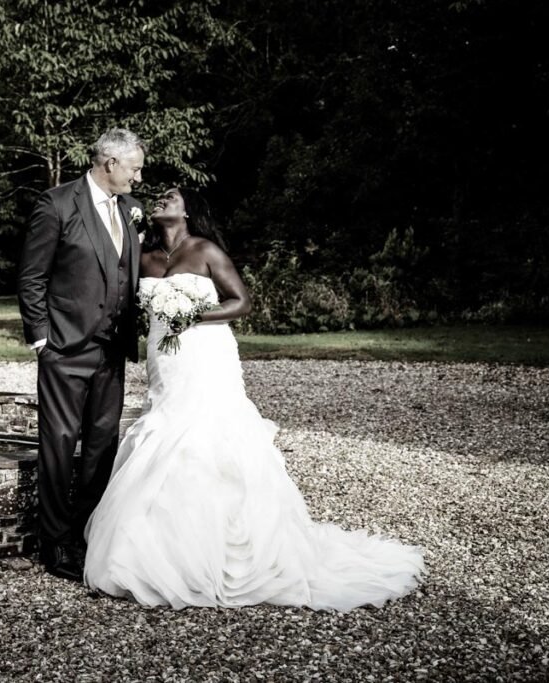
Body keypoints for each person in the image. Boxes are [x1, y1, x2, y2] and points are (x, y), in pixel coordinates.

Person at [83, 187, 425, 610]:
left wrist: (190, 314)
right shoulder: (145, 257)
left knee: (209, 430)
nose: (160, 200)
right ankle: (159, 549)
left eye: (170, 196)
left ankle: (228, 548)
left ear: (188, 209)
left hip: (206, 352)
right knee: (165, 425)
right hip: (164, 358)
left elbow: (241, 302)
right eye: (158, 197)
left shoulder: (205, 249)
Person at [17, 128, 146, 581]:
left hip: (112, 350)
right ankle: (54, 545)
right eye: (134, 167)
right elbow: (32, 277)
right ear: (109, 163)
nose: (139, 175)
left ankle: (89, 532)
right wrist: (40, 338)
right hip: (65, 348)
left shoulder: (132, 211)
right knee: (58, 443)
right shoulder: (56, 204)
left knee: (101, 444)